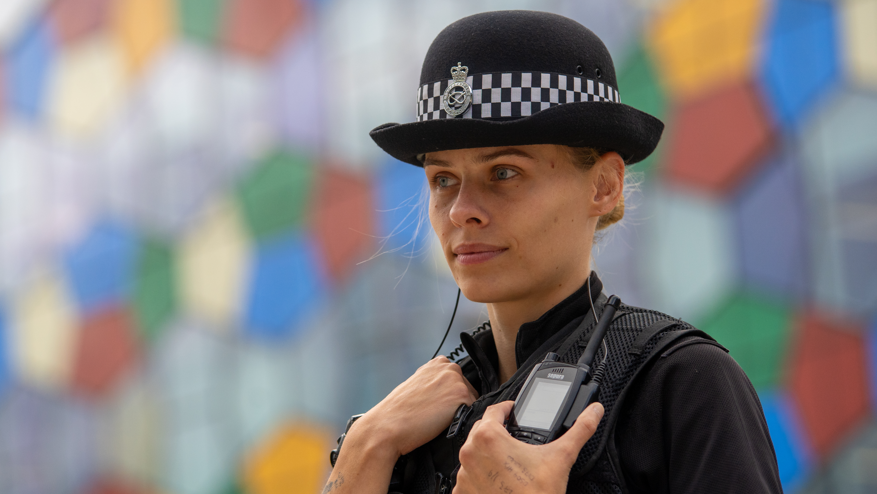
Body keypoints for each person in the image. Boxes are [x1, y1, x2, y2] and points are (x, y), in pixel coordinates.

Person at [324, 10, 783, 494]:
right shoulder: (408, 423)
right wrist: (362, 454)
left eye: (503, 172)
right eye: (443, 180)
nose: (462, 211)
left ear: (604, 186)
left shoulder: (681, 384)